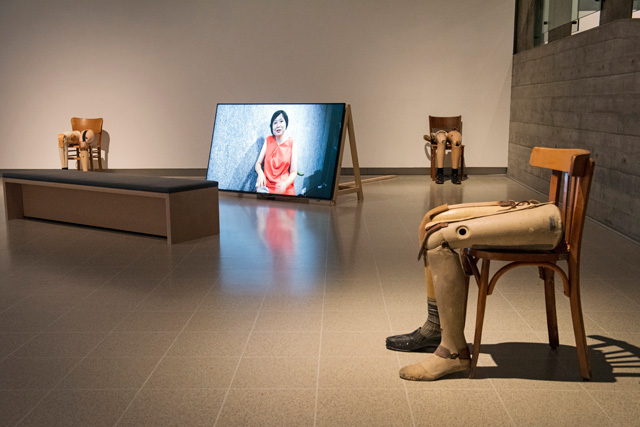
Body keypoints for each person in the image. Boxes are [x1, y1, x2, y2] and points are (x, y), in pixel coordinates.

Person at [388, 200, 563, 381]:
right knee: (431, 221)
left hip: (552, 219)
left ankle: (452, 352)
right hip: (541, 205)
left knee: (437, 238)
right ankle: (436, 325)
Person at [255, 110, 298, 195]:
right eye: (275, 123)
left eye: (281, 121)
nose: (278, 125)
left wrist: (285, 184)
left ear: (286, 123)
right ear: (271, 127)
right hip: (267, 186)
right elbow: (258, 164)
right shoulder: (268, 140)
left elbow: (293, 172)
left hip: (284, 187)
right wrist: (260, 173)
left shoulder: (292, 143)